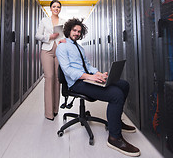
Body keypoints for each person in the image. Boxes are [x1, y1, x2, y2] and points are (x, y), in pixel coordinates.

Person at [56, 18, 140, 157]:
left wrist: (98, 74)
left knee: (124, 85)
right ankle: (114, 138)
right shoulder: (62, 47)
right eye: (74, 30)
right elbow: (68, 71)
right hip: (77, 83)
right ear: (69, 30)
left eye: (79, 31)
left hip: (88, 79)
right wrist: (90, 77)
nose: (76, 33)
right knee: (116, 94)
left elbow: (88, 66)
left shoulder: (80, 48)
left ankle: (116, 122)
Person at [35, 0, 66, 121]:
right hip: (47, 51)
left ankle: (55, 109)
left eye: (58, 7)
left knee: (57, 79)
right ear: (50, 8)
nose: (56, 8)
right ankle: (48, 113)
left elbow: (66, 36)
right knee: (49, 77)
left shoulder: (63, 22)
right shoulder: (44, 21)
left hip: (59, 51)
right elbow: (37, 35)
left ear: (60, 9)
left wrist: (64, 40)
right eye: (54, 6)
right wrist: (49, 37)